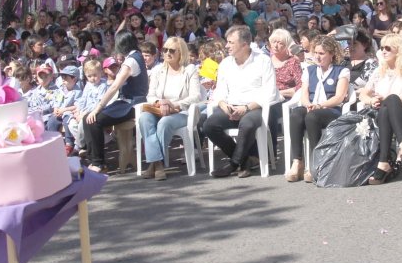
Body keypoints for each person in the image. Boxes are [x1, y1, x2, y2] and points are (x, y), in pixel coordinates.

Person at [204, 25, 280, 178]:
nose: (227, 46)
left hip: (255, 107)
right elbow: (220, 92)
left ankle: (233, 164)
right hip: (231, 107)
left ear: (244, 44)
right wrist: (224, 106)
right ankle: (244, 161)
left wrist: (246, 108)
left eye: (231, 42)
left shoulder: (263, 61)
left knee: (247, 123)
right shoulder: (225, 63)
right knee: (209, 125)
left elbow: (270, 93)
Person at [285, 35, 350, 183]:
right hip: (313, 105)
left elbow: (339, 97)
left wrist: (320, 106)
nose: (318, 57)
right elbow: (304, 93)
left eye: (322, 54)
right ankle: (298, 162)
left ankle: (316, 163)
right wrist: (308, 104)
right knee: (296, 114)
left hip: (330, 109)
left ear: (331, 54)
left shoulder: (342, 71)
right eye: (316, 53)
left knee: (312, 117)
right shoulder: (309, 70)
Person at [359, 33, 402, 185]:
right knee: (386, 110)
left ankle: (388, 159)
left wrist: (387, 99)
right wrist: (372, 100)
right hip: (383, 113)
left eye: (388, 48)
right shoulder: (379, 70)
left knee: (392, 99)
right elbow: (363, 94)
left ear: (398, 51)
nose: (383, 51)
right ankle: (394, 154)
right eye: (381, 48)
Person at [137, 37, 202, 181]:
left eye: (172, 50)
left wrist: (174, 105)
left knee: (165, 123)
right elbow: (150, 95)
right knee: (144, 118)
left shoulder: (190, 70)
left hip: (183, 111)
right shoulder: (158, 70)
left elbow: (196, 96)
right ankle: (158, 164)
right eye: (165, 50)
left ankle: (153, 165)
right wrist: (160, 102)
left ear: (181, 52)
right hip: (159, 109)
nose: (167, 53)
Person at [83, 31, 149, 171]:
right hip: (125, 102)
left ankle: (98, 163)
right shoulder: (135, 56)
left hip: (132, 104)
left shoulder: (131, 61)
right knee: (86, 118)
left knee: (94, 120)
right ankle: (94, 159)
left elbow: (114, 86)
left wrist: (98, 108)